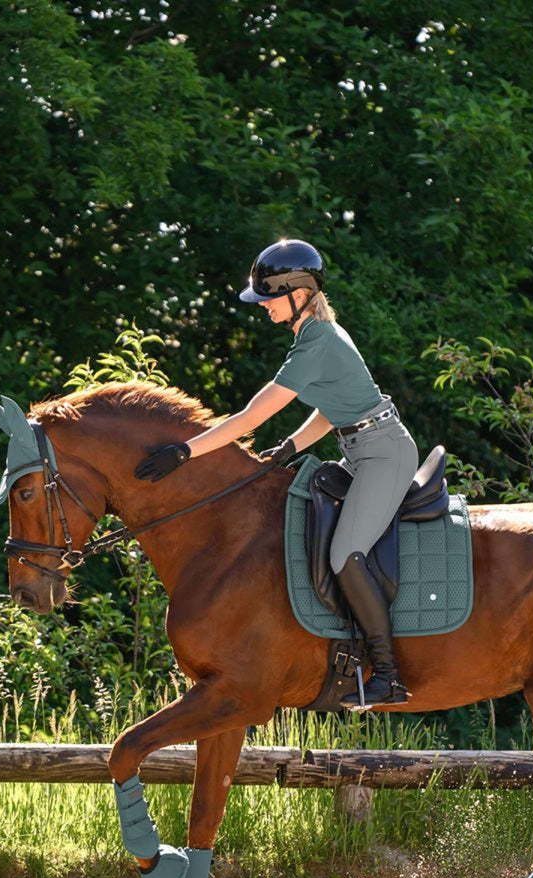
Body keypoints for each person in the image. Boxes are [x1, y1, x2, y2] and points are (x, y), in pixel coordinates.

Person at [134, 238, 419, 707]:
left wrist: (186, 452)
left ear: (299, 292)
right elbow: (333, 409)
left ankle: (387, 672)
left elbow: (248, 418)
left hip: (383, 454)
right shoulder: (315, 334)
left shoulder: (318, 342)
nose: (263, 308)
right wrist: (291, 445)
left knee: (346, 552)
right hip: (362, 447)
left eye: (269, 298)